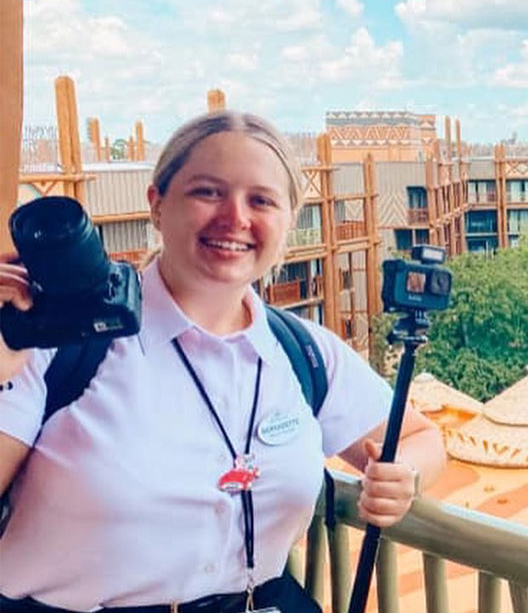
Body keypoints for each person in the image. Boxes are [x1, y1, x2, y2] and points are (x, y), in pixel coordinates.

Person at [0, 111, 446, 612]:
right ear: (157, 204)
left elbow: (419, 438)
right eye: (208, 192)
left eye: (261, 200)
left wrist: (402, 476)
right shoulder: (52, 343)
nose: (235, 218)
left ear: (287, 223)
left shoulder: (304, 351)